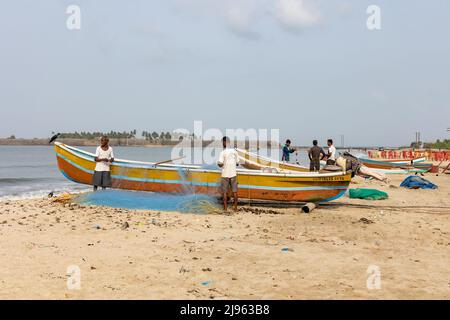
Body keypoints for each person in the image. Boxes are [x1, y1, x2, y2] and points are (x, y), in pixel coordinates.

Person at [218, 136, 239, 211]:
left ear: (224, 142)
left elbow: (220, 164)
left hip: (225, 174)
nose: (222, 144)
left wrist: (219, 164)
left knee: (224, 192)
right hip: (233, 174)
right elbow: (237, 163)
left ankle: (225, 208)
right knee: (235, 191)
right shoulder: (235, 151)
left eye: (222, 142)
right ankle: (235, 208)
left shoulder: (223, 152)